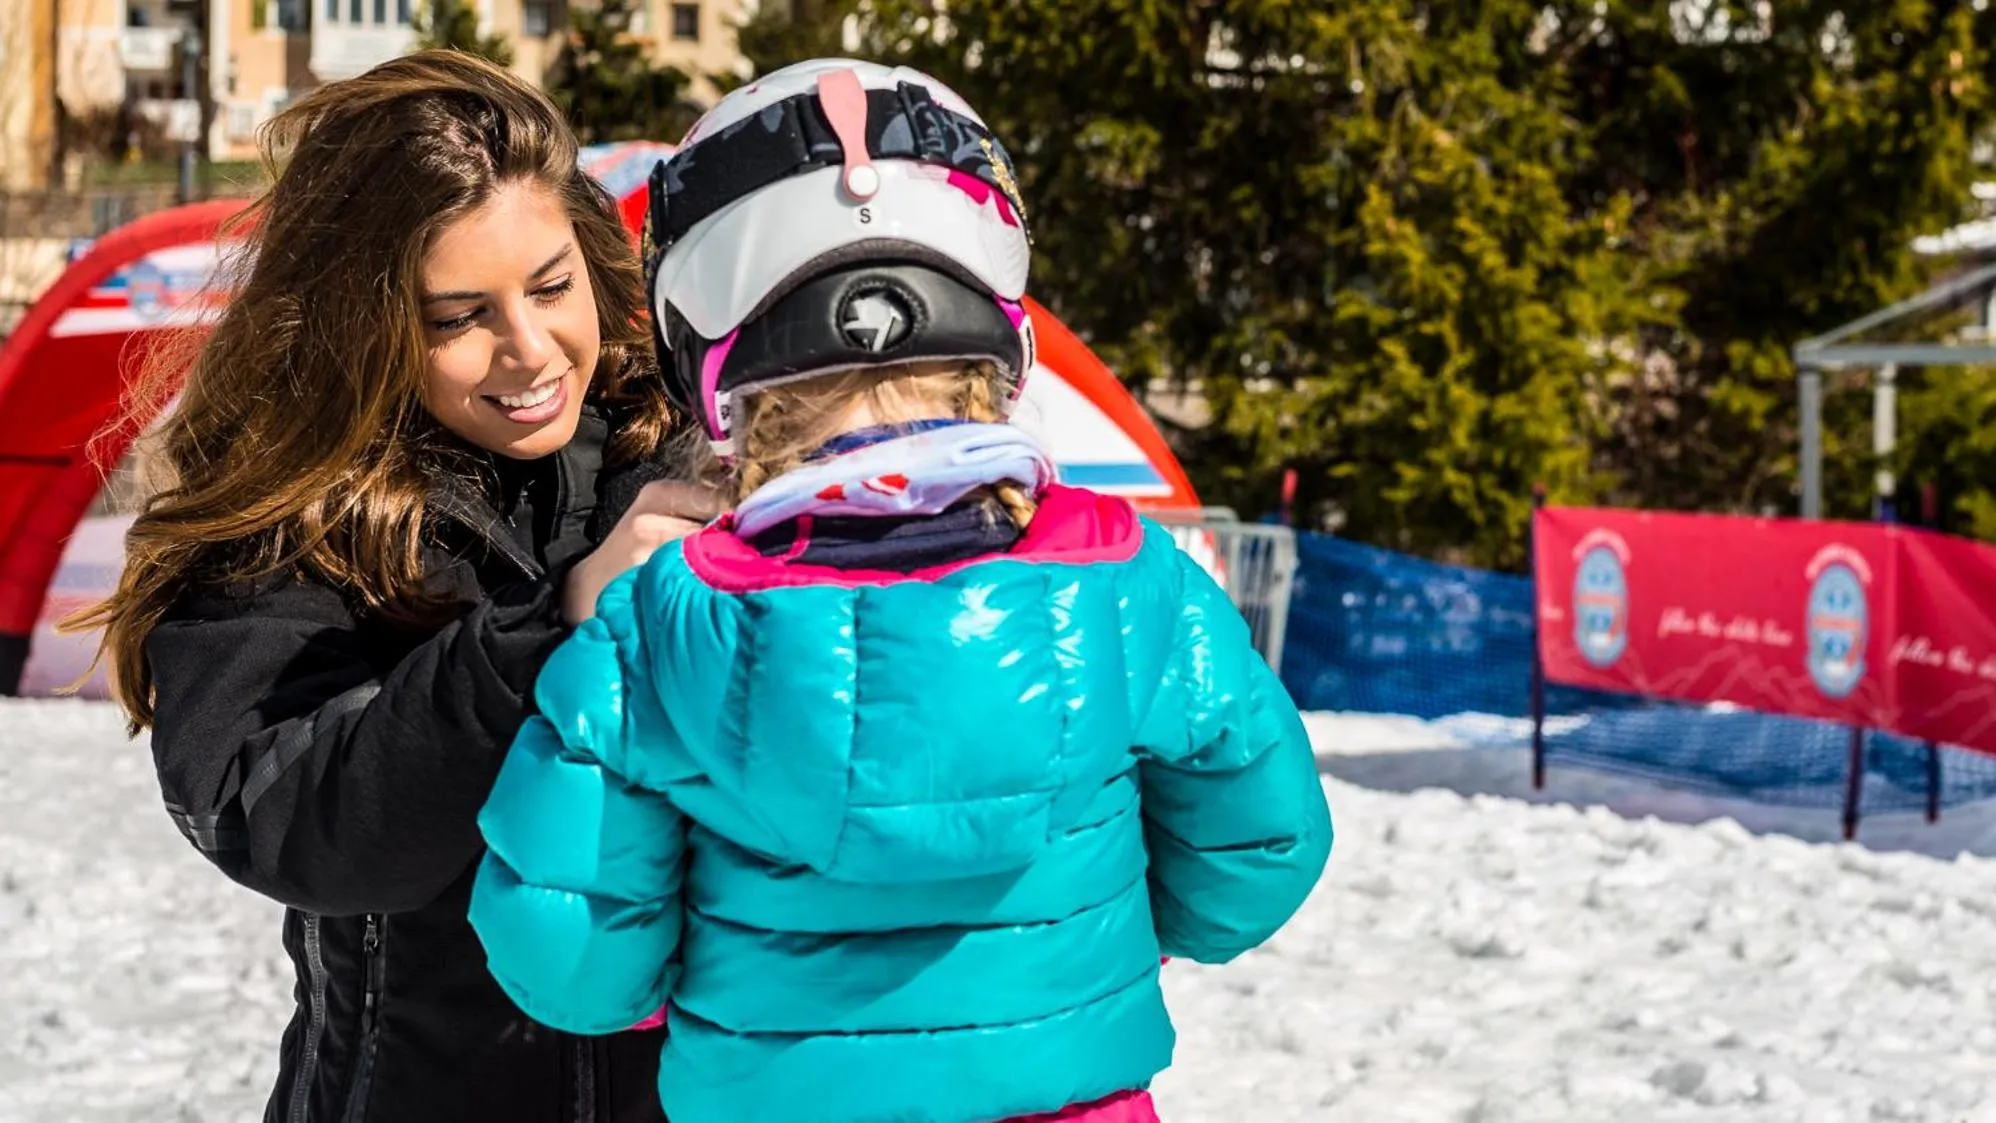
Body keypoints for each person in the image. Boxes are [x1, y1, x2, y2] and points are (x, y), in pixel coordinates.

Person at [467, 59, 1335, 1123]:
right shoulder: (1129, 584)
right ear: (1000, 334)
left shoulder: (654, 628)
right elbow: (1259, 855)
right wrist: (1083, 927)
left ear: (711, 364)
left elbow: (568, 958)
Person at [66, 51, 720, 1123]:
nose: (528, 350)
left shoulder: (687, 459)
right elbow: (294, 824)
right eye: (457, 316)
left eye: (551, 286)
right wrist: (549, 631)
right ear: (357, 326)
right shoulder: (285, 527)